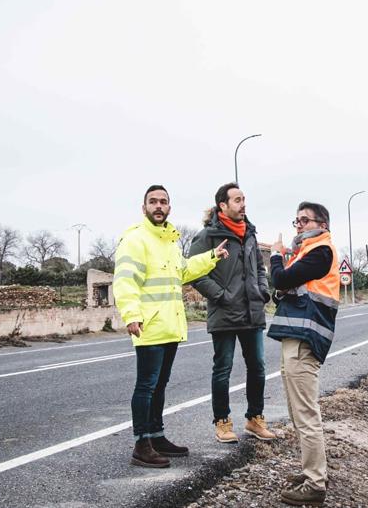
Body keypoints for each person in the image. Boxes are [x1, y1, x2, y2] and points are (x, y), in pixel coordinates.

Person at [113, 184, 229, 469]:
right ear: (144, 208)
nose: (158, 206)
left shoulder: (170, 241)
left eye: (163, 201)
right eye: (153, 201)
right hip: (148, 325)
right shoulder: (136, 239)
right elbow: (125, 280)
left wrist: (211, 256)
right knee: (146, 386)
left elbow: (183, 272)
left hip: (169, 324)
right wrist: (131, 315)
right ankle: (142, 444)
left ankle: (157, 436)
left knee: (160, 385)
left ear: (169, 207)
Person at [188, 183, 277, 443]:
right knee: (223, 369)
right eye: (237, 200)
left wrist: (262, 290)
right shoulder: (208, 236)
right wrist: (221, 295)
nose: (243, 204)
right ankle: (223, 423)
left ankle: (255, 419)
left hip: (252, 312)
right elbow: (195, 272)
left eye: (244, 199)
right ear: (223, 206)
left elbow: (260, 268)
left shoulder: (250, 233)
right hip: (225, 313)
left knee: (258, 368)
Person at [267, 201, 340, 506]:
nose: (298, 225)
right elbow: (285, 289)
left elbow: (281, 280)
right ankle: (312, 471)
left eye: (304, 220)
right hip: (296, 338)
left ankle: (315, 482)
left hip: (304, 340)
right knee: (299, 412)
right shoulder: (309, 252)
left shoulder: (321, 251)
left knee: (306, 413)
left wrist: (275, 255)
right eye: (296, 220)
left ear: (321, 224)